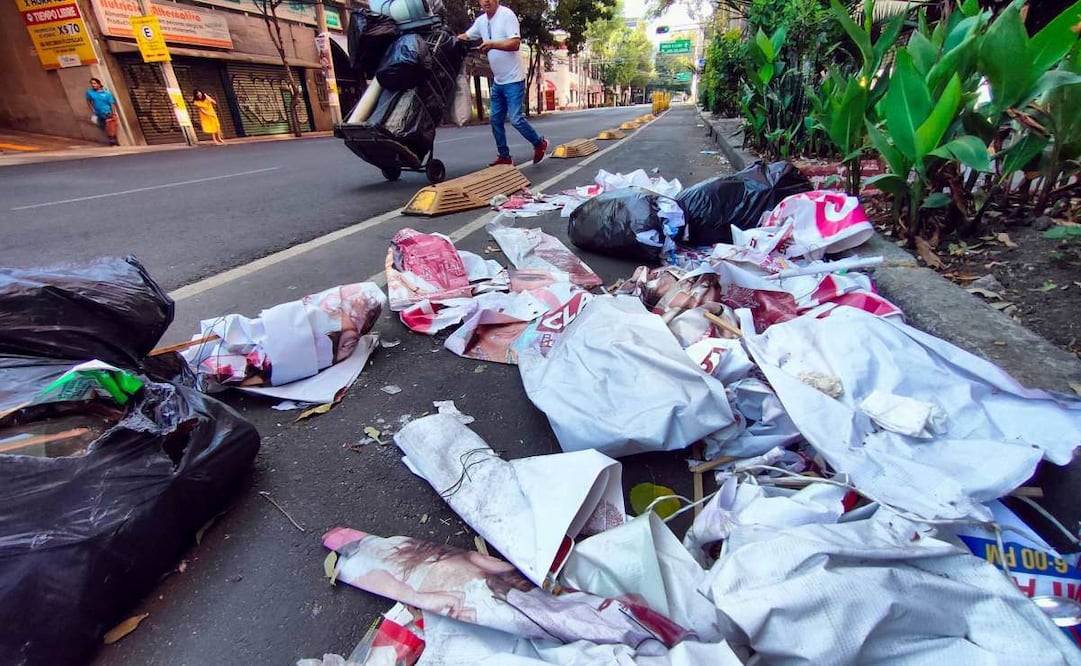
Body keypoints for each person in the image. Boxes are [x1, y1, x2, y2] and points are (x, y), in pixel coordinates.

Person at [458, 0, 548, 167]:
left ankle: (539, 143)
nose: (486, 1)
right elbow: (467, 36)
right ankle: (505, 156)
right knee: (495, 119)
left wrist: (492, 44)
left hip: (514, 79)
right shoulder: (481, 21)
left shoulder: (507, 16)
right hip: (498, 81)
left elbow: (515, 43)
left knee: (515, 119)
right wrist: (450, 41)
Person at [85, 78, 119, 146]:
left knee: (110, 125)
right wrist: (93, 110)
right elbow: (88, 101)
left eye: (95, 83)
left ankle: (112, 140)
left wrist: (113, 113)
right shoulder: (89, 92)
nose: (93, 85)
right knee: (103, 126)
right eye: (92, 83)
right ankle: (112, 138)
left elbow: (112, 104)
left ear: (99, 84)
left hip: (107, 112)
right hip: (98, 113)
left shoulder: (107, 93)